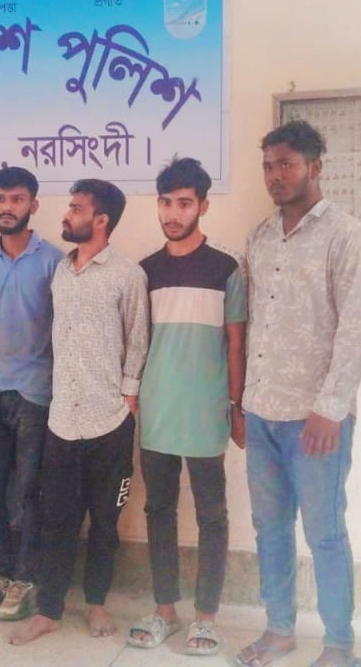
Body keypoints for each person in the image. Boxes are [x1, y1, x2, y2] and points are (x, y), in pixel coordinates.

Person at [236, 121, 361, 667]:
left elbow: (356, 326)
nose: (275, 175)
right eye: (268, 166)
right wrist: (242, 403)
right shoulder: (260, 235)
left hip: (315, 419)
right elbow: (252, 321)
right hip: (262, 411)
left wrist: (330, 408)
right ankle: (278, 630)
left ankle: (339, 643)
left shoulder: (346, 234)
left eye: (286, 164)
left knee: (324, 533)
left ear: (315, 167)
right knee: (270, 529)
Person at [8, 179, 149, 646]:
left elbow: (138, 339)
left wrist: (128, 396)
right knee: (57, 521)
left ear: (101, 220)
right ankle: (49, 610)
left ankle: (96, 603)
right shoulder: (61, 271)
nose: (67, 215)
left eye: (76, 209)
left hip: (109, 420)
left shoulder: (127, 275)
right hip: (62, 420)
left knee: (105, 523)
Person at [127, 158, 246, 656]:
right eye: (165, 203)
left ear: (202, 206)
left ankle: (206, 618)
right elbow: (138, 342)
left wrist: (236, 406)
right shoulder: (146, 271)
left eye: (183, 203)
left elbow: (235, 343)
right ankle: (165, 611)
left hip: (205, 409)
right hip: (157, 409)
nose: (172, 213)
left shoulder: (226, 269)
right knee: (158, 509)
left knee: (212, 513)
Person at [0, 166, 63, 621]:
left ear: (33, 205)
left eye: (17, 199)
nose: (7, 207)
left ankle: (25, 578)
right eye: (0, 198)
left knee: (28, 493)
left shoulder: (53, 261)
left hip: (34, 393)